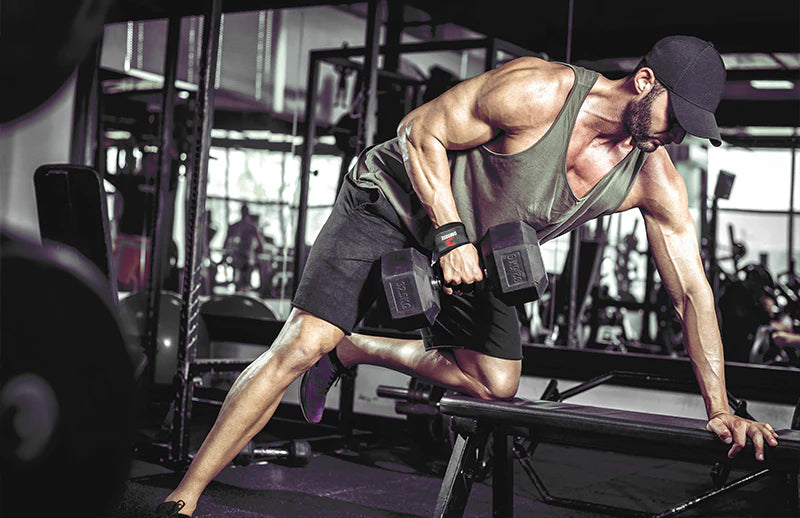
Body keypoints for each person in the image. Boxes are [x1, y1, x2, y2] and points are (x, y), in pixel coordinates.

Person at [155, 36, 779, 517]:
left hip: (477, 249)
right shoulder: (541, 92)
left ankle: (354, 348)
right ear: (645, 81)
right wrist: (449, 234)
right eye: (676, 115)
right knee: (299, 344)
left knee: (496, 386)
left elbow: (691, 292)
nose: (675, 135)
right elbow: (417, 131)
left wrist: (719, 408)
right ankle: (182, 498)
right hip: (393, 201)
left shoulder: (652, 175)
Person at [222, 203, 266, 292]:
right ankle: (240, 294)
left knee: (243, 281)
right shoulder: (248, 226)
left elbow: (260, 243)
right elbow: (260, 244)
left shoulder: (247, 226)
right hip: (243, 257)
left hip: (244, 257)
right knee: (241, 281)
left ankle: (241, 293)